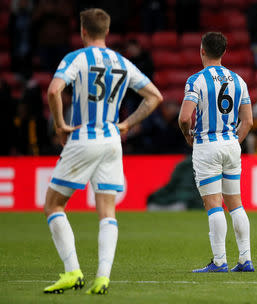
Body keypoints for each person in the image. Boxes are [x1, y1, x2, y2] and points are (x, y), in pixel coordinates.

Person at [43, 8, 163, 294]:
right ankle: (103, 277)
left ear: (83, 31)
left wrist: (60, 124)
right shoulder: (122, 62)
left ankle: (72, 271)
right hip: (111, 139)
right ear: (106, 32)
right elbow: (155, 97)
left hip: (84, 136)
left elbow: (52, 90)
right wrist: (127, 124)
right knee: (107, 210)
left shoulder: (76, 58)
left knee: (54, 205)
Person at [178, 32, 254, 272]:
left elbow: (183, 117)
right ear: (224, 51)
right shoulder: (239, 80)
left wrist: (187, 135)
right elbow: (248, 121)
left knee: (213, 205)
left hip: (207, 144)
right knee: (236, 204)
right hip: (231, 144)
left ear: (202, 50)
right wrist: (234, 141)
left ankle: (220, 261)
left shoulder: (196, 80)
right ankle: (245, 259)